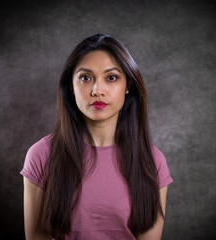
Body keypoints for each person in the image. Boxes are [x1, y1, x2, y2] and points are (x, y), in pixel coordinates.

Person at [20, 33, 173, 240]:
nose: (97, 90)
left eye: (111, 78)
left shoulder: (153, 161)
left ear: (128, 85)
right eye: (85, 78)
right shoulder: (41, 154)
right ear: (71, 87)